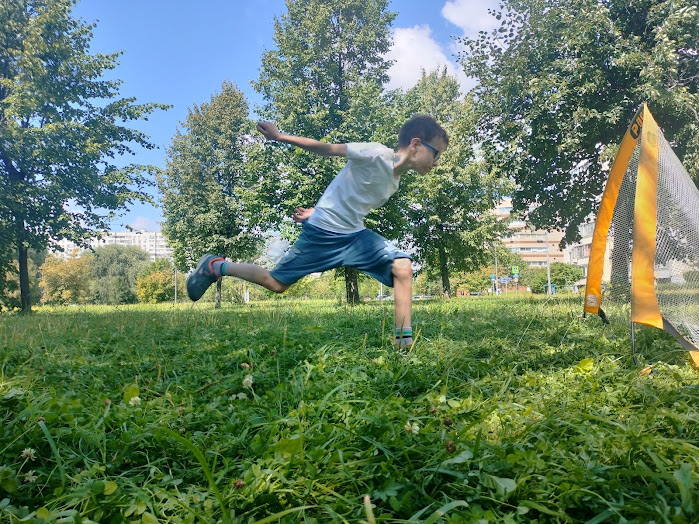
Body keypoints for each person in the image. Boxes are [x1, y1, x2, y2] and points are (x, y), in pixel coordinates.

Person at [186, 114, 448, 349]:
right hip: (322, 235)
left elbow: (349, 194)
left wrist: (316, 209)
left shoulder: (394, 182)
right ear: (415, 144)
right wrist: (280, 136)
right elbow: (328, 149)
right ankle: (215, 266)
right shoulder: (376, 153)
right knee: (276, 284)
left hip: (354, 237)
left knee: (402, 265)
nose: (436, 163)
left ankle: (403, 344)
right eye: (436, 154)